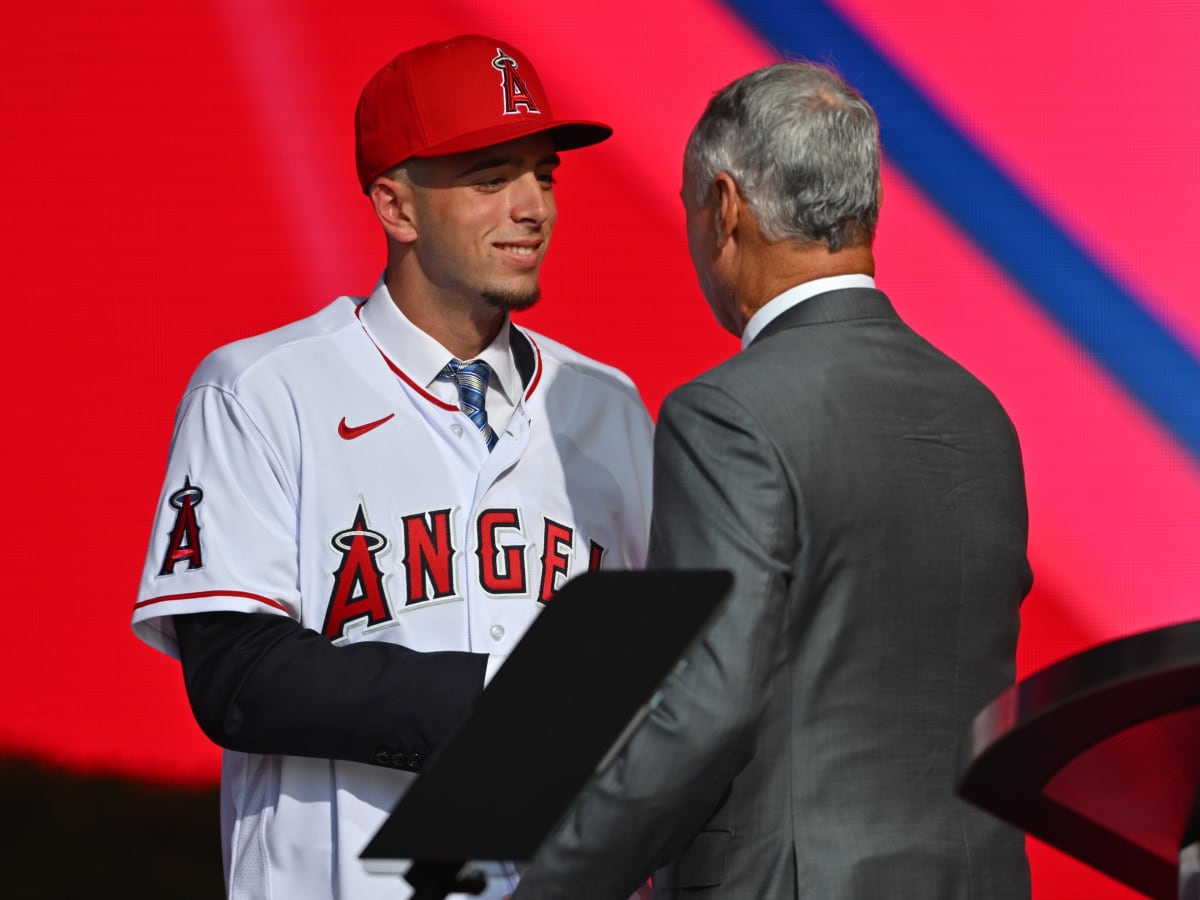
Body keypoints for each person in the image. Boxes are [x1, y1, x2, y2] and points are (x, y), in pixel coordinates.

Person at [131, 34, 653, 900]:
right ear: (396, 207)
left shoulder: (609, 406)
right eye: (492, 178)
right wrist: (507, 706)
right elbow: (240, 678)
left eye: (544, 174)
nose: (533, 206)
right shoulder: (262, 389)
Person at [511, 61, 1033, 900]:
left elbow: (705, 708)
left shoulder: (726, 413)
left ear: (725, 206)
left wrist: (554, 883)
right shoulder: (981, 413)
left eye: (690, 213)